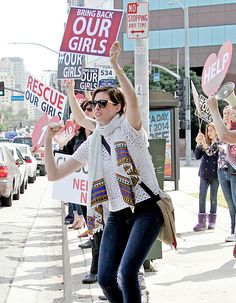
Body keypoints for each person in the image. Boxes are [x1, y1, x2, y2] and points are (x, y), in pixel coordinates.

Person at [45, 41, 164, 302]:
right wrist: (46, 140)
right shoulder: (94, 141)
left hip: (146, 210)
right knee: (105, 277)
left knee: (128, 271)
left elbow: (131, 98)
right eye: (94, 104)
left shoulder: (130, 130)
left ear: (117, 106)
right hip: (116, 214)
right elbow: (54, 174)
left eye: (102, 103)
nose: (97, 108)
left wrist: (115, 66)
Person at [207, 95, 236, 258]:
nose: (229, 114)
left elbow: (225, 137)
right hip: (225, 170)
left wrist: (213, 110)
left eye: (231, 112)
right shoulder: (228, 127)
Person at [193, 123, 219, 231]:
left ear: (216, 131)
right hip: (204, 174)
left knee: (213, 198)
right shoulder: (206, 143)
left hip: (215, 175)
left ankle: (212, 221)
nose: (209, 132)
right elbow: (197, 156)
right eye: (208, 130)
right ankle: (201, 222)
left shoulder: (218, 142)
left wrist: (203, 143)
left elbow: (210, 152)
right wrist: (198, 143)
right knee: (202, 197)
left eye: (212, 130)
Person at [216, 106, 236, 242]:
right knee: (230, 203)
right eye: (225, 113)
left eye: (229, 113)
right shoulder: (220, 130)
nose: (227, 115)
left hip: (234, 171)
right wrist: (202, 143)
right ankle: (233, 230)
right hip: (222, 170)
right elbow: (211, 150)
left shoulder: (231, 131)